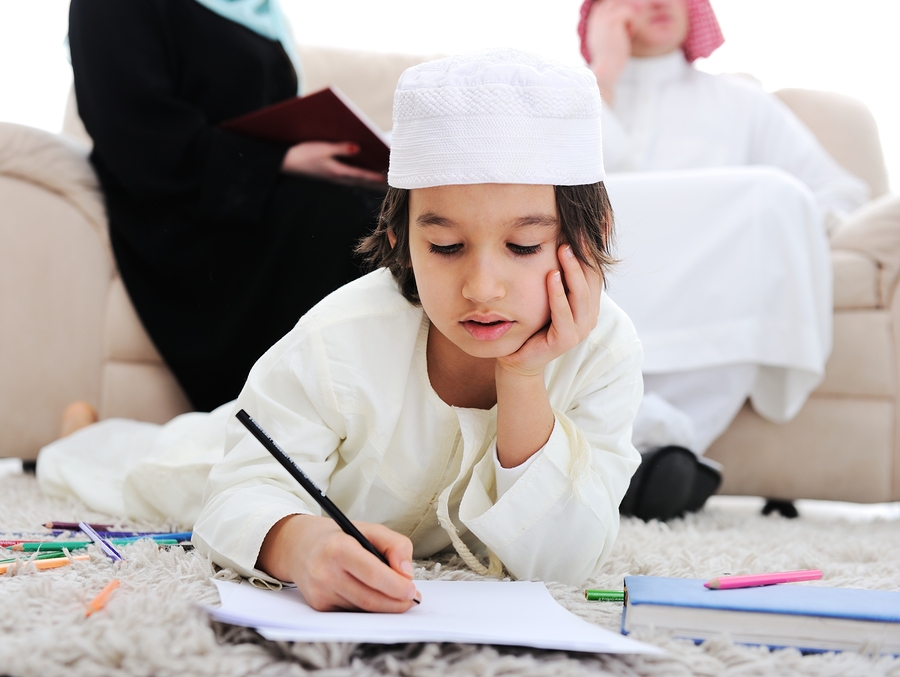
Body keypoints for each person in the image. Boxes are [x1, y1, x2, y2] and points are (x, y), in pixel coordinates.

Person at [38, 48, 644, 610]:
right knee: (151, 467)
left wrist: (522, 376)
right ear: (398, 240)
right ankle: (82, 435)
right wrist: (299, 545)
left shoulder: (606, 353)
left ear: (587, 238)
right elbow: (239, 492)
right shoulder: (340, 337)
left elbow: (564, 560)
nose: (482, 287)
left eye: (523, 245)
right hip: (220, 452)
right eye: (446, 245)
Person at [576, 0, 870, 520]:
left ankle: (647, 449)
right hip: (604, 265)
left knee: (773, 202)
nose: (657, 3)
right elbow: (570, 189)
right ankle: (639, 457)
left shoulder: (742, 103)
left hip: (714, 277)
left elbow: (835, 192)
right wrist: (605, 73)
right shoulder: (568, 96)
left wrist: (783, 229)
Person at [67, 0, 386, 413]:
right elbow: (133, 133)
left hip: (264, 192)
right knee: (345, 221)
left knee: (392, 210)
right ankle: (315, 418)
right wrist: (280, 161)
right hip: (185, 214)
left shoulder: (259, 11)